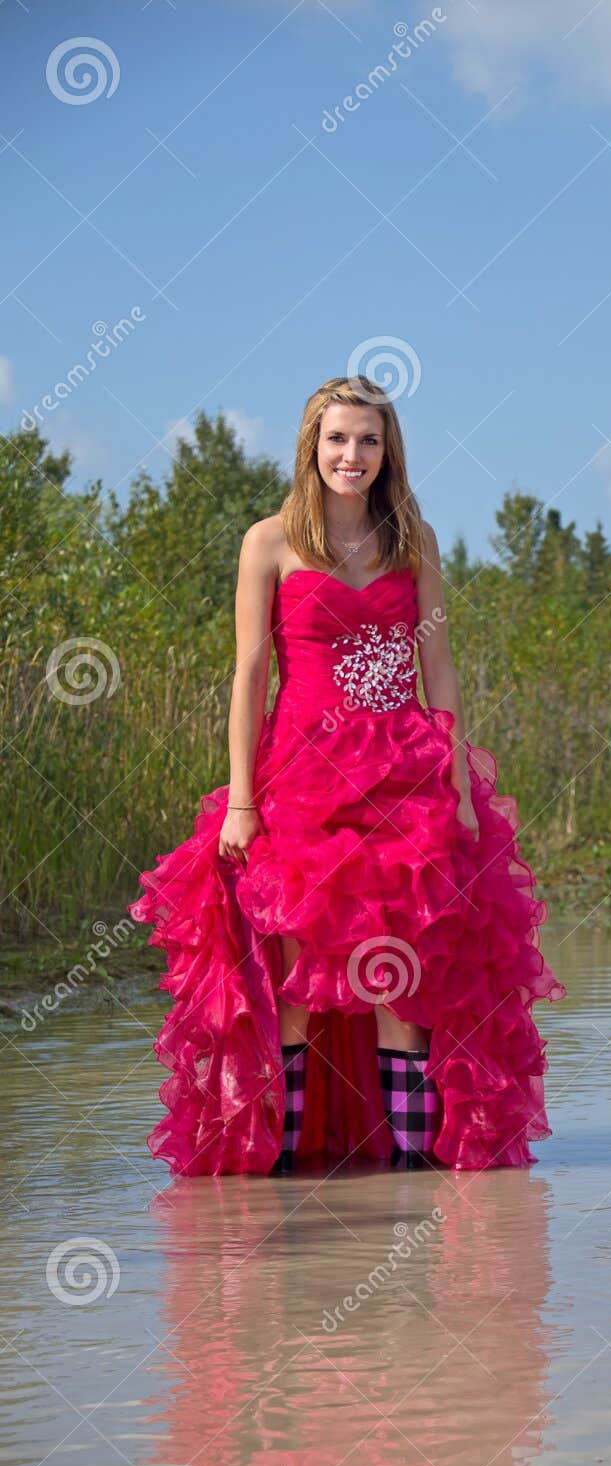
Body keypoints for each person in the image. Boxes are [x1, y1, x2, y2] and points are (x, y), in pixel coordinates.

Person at [128, 374, 565, 1177]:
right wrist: (243, 802)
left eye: (368, 440)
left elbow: (439, 669)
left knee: (400, 976)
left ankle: (413, 1186)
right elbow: (248, 676)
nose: (351, 455)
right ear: (312, 447)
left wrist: (460, 791)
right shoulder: (269, 541)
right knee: (298, 980)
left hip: (406, 777)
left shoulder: (413, 539)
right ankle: (285, 1178)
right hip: (300, 777)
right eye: (337, 439)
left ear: (386, 451)